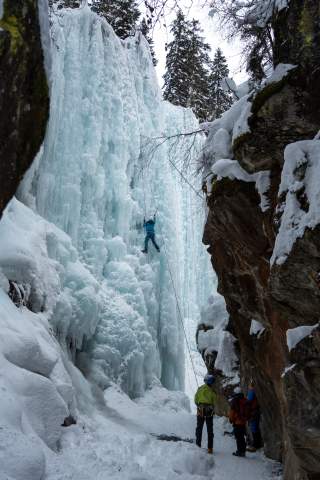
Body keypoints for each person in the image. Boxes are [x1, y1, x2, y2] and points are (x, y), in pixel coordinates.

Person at [194, 374, 216, 454]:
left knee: (199, 428)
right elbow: (214, 401)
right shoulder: (212, 391)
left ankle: (198, 445)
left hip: (200, 410)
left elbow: (195, 400)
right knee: (210, 430)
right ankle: (210, 448)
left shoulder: (200, 389)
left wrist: (199, 406)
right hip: (209, 411)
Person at [229, 387, 250, 457]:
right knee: (242, 437)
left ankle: (239, 452)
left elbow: (232, 412)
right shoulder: (245, 400)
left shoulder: (235, 401)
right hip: (243, 422)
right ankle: (243, 451)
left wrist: (231, 419)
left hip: (237, 422)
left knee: (238, 438)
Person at [246, 385, 263, 451]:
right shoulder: (255, 390)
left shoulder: (252, 391)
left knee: (254, 427)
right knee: (255, 427)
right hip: (255, 411)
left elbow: (249, 399)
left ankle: (256, 445)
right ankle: (256, 444)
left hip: (253, 412)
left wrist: (250, 390)